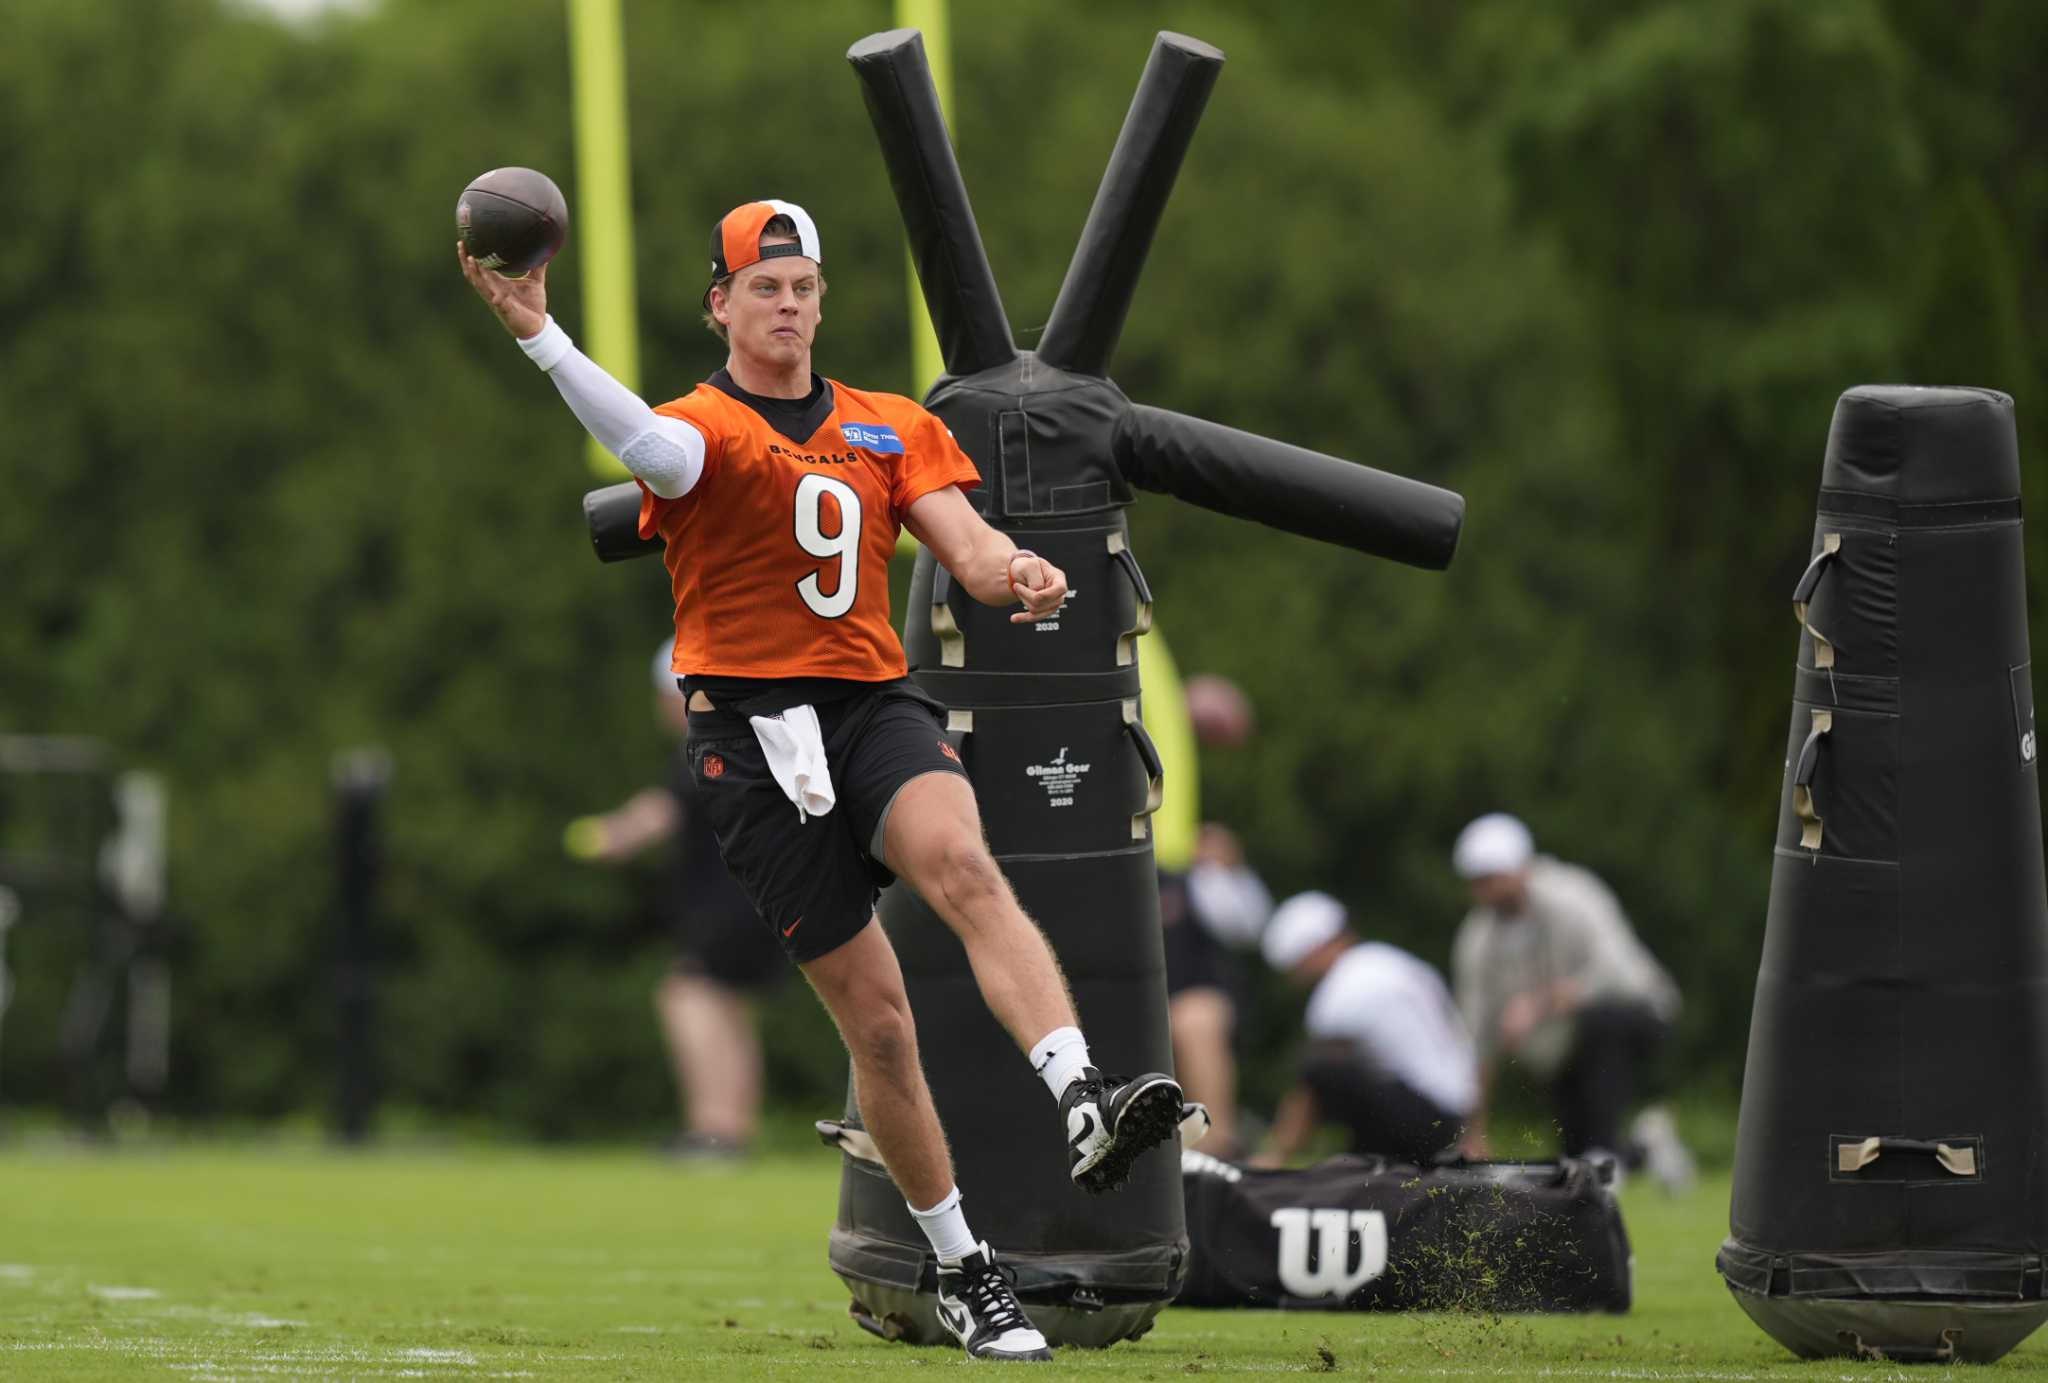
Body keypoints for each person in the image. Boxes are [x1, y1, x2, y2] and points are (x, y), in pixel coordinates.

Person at [458, 199, 1181, 1363]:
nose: (787, 306)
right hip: (747, 737)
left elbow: (968, 550)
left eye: (802, 287)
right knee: (880, 1026)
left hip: (867, 707)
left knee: (961, 863)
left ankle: (1081, 1093)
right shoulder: (702, 426)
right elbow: (649, 450)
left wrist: (1024, 573)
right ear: (722, 305)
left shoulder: (888, 426)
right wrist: (543, 336)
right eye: (764, 287)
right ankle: (961, 1267)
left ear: (819, 300)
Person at [564, 642, 782, 1160]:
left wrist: (614, 835)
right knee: (727, 1006)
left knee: (687, 995)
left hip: (731, 903)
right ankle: (732, 1132)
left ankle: (713, 1130)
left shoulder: (707, 747)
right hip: (763, 897)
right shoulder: (750, 742)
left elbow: (660, 812)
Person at [1449, 812, 1695, 1191]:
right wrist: (1472, 1132)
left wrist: (1538, 1004)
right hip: (1561, 1049)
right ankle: (1646, 1147)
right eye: (1477, 881)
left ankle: (1606, 1155)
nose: (1486, 890)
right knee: (1577, 1162)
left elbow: (1616, 976)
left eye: (1491, 877)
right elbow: (1476, 1040)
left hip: (1638, 1015)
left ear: (1521, 867)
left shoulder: (1574, 896)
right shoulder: (1477, 941)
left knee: (1603, 1023)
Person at [1144, 651, 1270, 1160]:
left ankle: (1217, 1149)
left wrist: (1218, 868)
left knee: (1195, 1019)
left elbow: (1250, 926)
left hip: (1189, 986)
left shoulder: (1205, 849)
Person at [1253, 891, 1475, 1166]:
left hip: (1428, 1122)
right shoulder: (1388, 961)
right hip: (1456, 1115)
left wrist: (1275, 1155)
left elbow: (1308, 1091)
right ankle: (1367, 1155)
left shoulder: (1343, 988)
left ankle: (1370, 1161)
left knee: (1323, 1064)